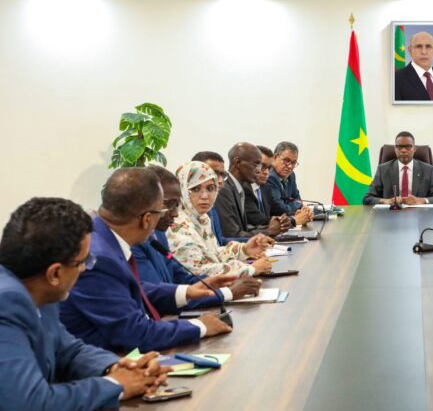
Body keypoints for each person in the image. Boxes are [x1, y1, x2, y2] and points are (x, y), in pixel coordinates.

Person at [0, 197, 171, 409]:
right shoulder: (6, 303)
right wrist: (116, 384)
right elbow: (30, 404)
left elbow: (68, 351)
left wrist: (116, 368)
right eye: (83, 262)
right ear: (55, 273)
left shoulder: (38, 287)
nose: (83, 270)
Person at [60, 168, 237, 353]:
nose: (174, 215)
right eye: (163, 210)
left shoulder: (103, 236)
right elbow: (134, 333)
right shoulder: (99, 257)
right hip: (110, 361)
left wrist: (187, 291)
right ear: (147, 219)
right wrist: (199, 326)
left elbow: (132, 289)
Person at [132, 165, 262, 304]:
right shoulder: (140, 241)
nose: (175, 213)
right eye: (168, 204)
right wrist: (228, 292)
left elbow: (180, 276)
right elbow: (159, 296)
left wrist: (218, 284)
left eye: (210, 188)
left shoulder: (159, 234)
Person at [167, 161, 273, 277]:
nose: (205, 196)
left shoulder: (201, 218)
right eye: (196, 189)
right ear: (182, 189)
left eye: (210, 188)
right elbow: (199, 271)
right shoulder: (176, 225)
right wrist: (250, 269)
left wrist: (244, 249)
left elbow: (213, 254)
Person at [216, 142, 285, 238]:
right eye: (256, 164)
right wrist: (269, 231)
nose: (259, 170)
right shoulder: (224, 191)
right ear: (238, 163)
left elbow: (245, 229)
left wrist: (275, 225)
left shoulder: (238, 188)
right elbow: (232, 235)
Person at [362, 131, 433, 205]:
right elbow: (367, 199)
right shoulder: (382, 169)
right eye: (399, 147)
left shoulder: (428, 170)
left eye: (408, 146)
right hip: (391, 214)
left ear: (414, 149)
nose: (403, 150)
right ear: (395, 149)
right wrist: (386, 201)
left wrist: (421, 200)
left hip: (419, 215)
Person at [191, 151, 248, 246]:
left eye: (222, 174)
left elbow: (218, 241)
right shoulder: (182, 215)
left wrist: (249, 243)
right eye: (213, 173)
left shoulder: (211, 207)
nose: (220, 180)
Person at [242, 145, 294, 234]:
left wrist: (291, 217)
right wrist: (293, 221)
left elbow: (278, 211)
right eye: (262, 166)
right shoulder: (244, 189)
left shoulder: (265, 188)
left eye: (269, 168)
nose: (266, 172)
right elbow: (259, 220)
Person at [267, 141, 314, 223]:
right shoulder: (270, 177)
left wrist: (303, 210)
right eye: (286, 160)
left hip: (288, 221)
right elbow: (279, 209)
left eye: (293, 163)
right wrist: (296, 209)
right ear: (275, 157)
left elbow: (298, 200)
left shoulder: (291, 175)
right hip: (275, 224)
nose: (290, 166)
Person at [394, 31, 433, 102]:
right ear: (410, 50)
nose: (424, 52)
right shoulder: (396, 79)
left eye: (428, 46)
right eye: (418, 46)